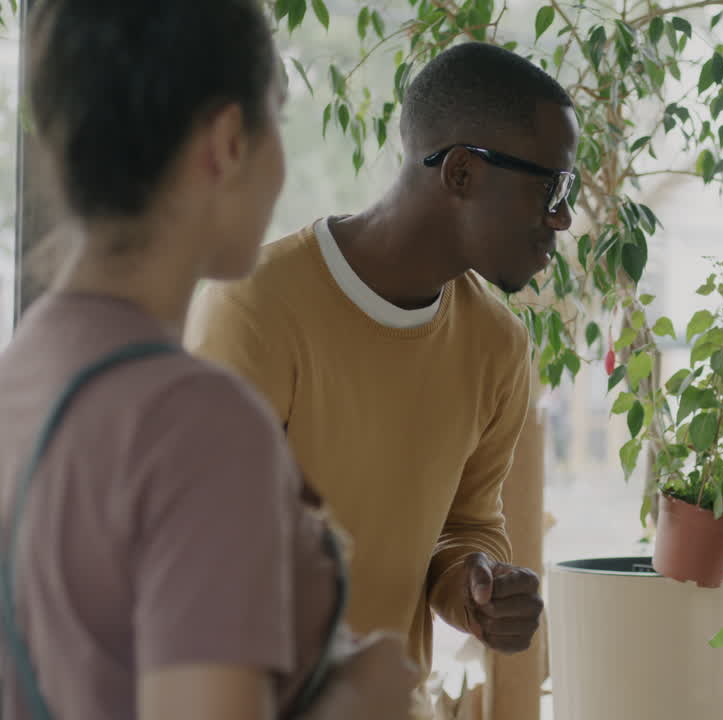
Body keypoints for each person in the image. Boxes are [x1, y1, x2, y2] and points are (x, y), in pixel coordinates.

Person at [0, 1, 417, 718]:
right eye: (276, 120)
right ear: (226, 141)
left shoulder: (20, 378)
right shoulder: (199, 428)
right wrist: (364, 695)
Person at [187, 41, 579, 673]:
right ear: (460, 173)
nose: (562, 219)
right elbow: (193, 562)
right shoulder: (256, 309)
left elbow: (466, 526)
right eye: (552, 186)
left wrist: (476, 585)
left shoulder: (498, 344)